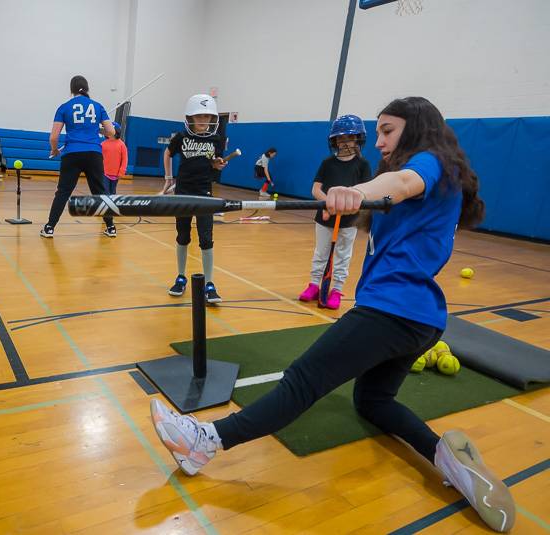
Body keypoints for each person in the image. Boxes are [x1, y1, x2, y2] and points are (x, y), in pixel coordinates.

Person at [150, 97, 514, 533]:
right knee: (372, 401)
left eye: (386, 130)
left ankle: (205, 441)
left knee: (303, 380)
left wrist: (357, 191)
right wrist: (351, 200)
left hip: (392, 312)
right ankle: (447, 460)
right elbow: (394, 193)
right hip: (421, 317)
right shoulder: (441, 178)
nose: (377, 141)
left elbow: (402, 182)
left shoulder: (429, 162)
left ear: (416, 129)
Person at [299, 115, 372, 309]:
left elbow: (365, 193)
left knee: (343, 254)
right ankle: (314, 285)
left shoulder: (362, 165)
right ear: (334, 141)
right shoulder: (327, 163)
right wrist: (330, 203)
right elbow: (316, 189)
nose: (344, 142)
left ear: (357, 139)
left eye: (348, 138)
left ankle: (337, 289)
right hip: (324, 217)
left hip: (349, 220)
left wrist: (347, 205)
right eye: (340, 138)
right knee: (320, 253)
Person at [163, 94, 228, 304]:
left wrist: (217, 164)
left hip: (204, 193)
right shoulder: (181, 137)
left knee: (206, 238)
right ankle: (180, 276)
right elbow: (167, 153)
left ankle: (209, 283)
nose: (203, 121)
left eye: (207, 117)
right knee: (182, 236)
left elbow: (213, 162)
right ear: (190, 117)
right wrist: (168, 177)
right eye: (199, 116)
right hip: (183, 191)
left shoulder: (215, 139)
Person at [41, 75, 116, 238]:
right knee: (100, 192)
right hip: (93, 154)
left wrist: (54, 150)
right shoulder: (98, 106)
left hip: (72, 154)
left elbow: (53, 137)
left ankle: (49, 227)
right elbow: (111, 132)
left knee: (63, 192)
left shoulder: (64, 107)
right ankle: (110, 227)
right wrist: (98, 130)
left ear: (71, 89)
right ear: (87, 88)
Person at [101, 121, 128, 194]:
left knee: (112, 192)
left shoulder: (122, 145)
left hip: (116, 174)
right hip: (104, 173)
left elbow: (124, 159)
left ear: (116, 131)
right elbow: (99, 158)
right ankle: (106, 205)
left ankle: (111, 205)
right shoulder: (103, 144)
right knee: (105, 192)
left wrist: (122, 171)